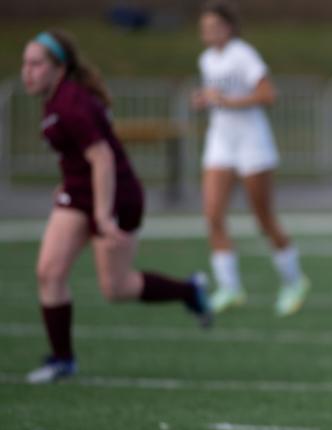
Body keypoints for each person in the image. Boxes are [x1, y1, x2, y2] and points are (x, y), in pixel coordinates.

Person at [21, 30, 211, 385]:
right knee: (48, 272)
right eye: (25, 64)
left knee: (117, 287)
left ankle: (190, 291)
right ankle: (62, 360)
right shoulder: (56, 99)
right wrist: (66, 185)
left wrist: (104, 216)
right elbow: (79, 155)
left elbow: (103, 158)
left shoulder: (71, 103)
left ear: (59, 67)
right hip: (81, 193)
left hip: (116, 194)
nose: (26, 72)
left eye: (35, 64)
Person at [193, 1, 309, 316]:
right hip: (220, 142)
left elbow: (268, 94)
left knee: (263, 218)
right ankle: (229, 287)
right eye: (205, 28)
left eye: (215, 26)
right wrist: (205, 99)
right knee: (213, 215)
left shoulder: (243, 54)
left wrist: (228, 101)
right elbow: (216, 95)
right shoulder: (206, 59)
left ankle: (294, 281)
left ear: (229, 27)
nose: (209, 33)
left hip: (252, 143)